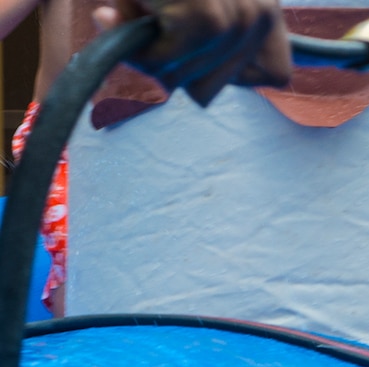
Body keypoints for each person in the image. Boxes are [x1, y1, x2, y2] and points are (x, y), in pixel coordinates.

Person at [0, 0, 294, 313]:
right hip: (68, 136)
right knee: (82, 265)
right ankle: (88, 347)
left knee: (186, 261)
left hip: (173, 139)